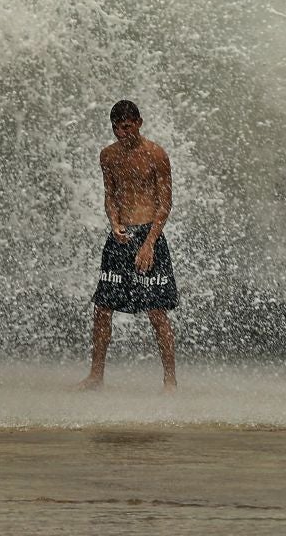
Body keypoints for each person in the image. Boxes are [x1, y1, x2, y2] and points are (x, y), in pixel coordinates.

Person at [78, 99, 178, 390]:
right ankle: (96, 376)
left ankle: (170, 380)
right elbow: (110, 195)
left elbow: (165, 204)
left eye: (126, 127)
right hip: (120, 237)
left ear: (138, 123)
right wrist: (114, 223)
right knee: (102, 308)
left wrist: (148, 244)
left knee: (156, 311)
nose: (121, 134)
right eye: (116, 128)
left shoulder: (156, 154)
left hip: (150, 235)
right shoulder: (107, 155)